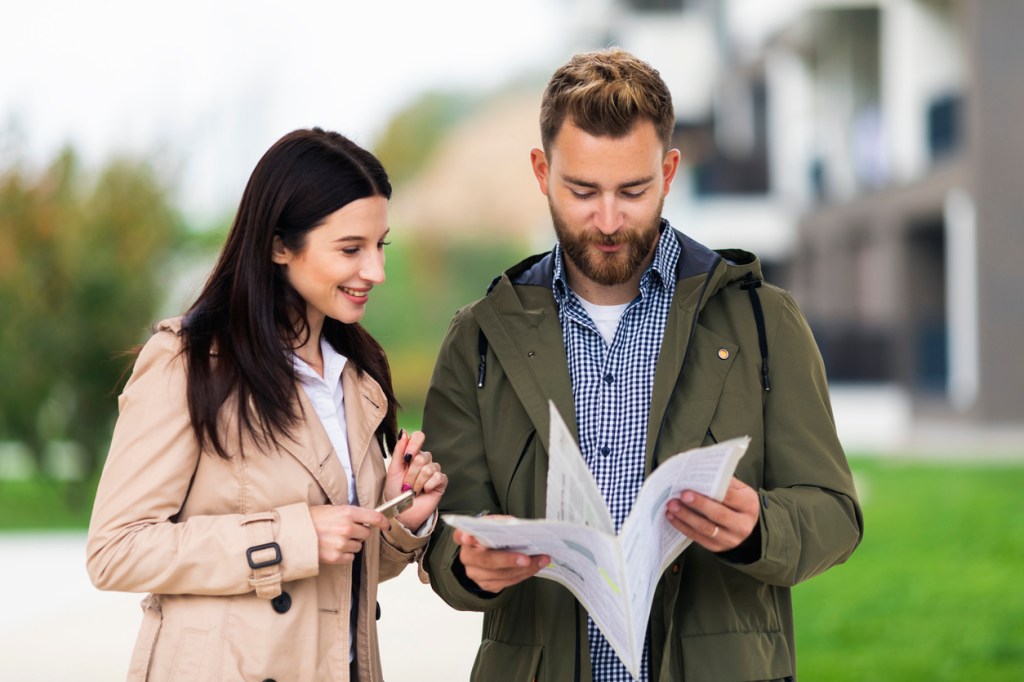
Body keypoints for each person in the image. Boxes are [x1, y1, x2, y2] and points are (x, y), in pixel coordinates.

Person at [422, 48, 863, 681]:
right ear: (542, 171)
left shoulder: (763, 319)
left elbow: (836, 515)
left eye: (633, 190)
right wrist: (470, 565)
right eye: (582, 191)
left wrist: (759, 528)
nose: (608, 220)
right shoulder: (478, 339)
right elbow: (441, 540)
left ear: (669, 171)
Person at [87, 127, 447, 682]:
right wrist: (290, 537)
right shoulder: (189, 364)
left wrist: (400, 518)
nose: (375, 271)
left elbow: (335, 580)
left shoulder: (357, 378)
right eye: (350, 249)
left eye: (381, 246)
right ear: (280, 245)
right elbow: (115, 551)